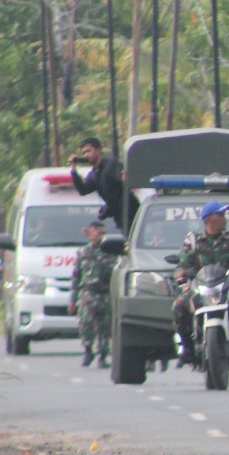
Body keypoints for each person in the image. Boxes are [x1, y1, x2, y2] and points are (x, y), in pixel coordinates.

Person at [171, 200, 229, 367]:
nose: (225, 219)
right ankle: (187, 346)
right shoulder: (193, 240)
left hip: (226, 288)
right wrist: (183, 282)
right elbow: (182, 266)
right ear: (209, 219)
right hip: (200, 288)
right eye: (220, 215)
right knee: (179, 305)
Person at [68, 220, 116, 368]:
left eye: (102, 233)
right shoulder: (83, 252)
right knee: (85, 324)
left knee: (105, 326)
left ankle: (102, 355)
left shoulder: (110, 251)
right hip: (88, 293)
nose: (99, 235)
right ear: (89, 232)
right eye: (96, 232)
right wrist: (72, 299)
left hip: (105, 293)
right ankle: (88, 350)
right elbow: (76, 276)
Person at [68, 137, 137, 229]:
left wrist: (124, 178)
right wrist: (73, 170)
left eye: (88, 151)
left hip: (130, 211)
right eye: (84, 153)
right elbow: (83, 190)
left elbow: (123, 179)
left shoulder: (111, 164)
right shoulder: (94, 174)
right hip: (119, 216)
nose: (86, 155)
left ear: (98, 150)